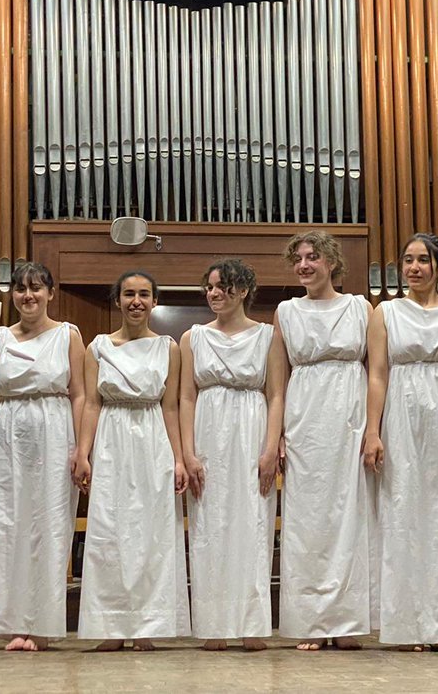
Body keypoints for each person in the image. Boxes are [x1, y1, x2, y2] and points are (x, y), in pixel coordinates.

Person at [363, 233, 438, 650]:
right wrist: (373, 430)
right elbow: (377, 374)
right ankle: (407, 624)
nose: (414, 268)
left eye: (423, 260)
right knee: (403, 514)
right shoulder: (385, 313)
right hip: (401, 412)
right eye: (408, 260)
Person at [0, 262, 85, 652]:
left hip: (53, 431)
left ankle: (41, 624)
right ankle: (9, 622)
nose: (28, 295)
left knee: (47, 527)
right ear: (12, 294)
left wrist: (80, 448)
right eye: (20, 289)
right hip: (6, 433)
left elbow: (80, 394)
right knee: (4, 526)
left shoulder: (68, 336)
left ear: (50, 292)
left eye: (36, 288)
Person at [75, 270, 191, 650]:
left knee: (151, 533)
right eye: (129, 294)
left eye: (144, 294)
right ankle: (110, 627)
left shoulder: (168, 348)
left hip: (153, 438)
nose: (136, 301)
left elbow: (171, 407)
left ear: (154, 301)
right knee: (109, 530)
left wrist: (178, 459)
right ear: (118, 300)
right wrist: (83, 452)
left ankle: (147, 627)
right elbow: (91, 403)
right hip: (112, 438)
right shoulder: (97, 348)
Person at [270, 230, 375, 651]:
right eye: (297, 258)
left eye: (312, 256)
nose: (304, 265)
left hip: (349, 415)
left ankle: (346, 622)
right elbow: (277, 385)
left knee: (349, 516)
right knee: (308, 521)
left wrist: (373, 429)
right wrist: (275, 436)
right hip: (305, 421)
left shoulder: (360, 308)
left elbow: (379, 371)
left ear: (331, 261)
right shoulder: (286, 312)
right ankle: (312, 622)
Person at [180, 259, 278, 651]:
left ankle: (252, 624)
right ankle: (215, 624)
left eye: (223, 287)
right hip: (208, 431)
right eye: (210, 287)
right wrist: (188, 453)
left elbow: (277, 394)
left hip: (251, 429)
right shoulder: (193, 338)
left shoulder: (268, 336)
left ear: (243, 290)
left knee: (253, 524)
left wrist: (271, 447)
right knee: (210, 527)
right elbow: (186, 396)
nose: (214, 294)